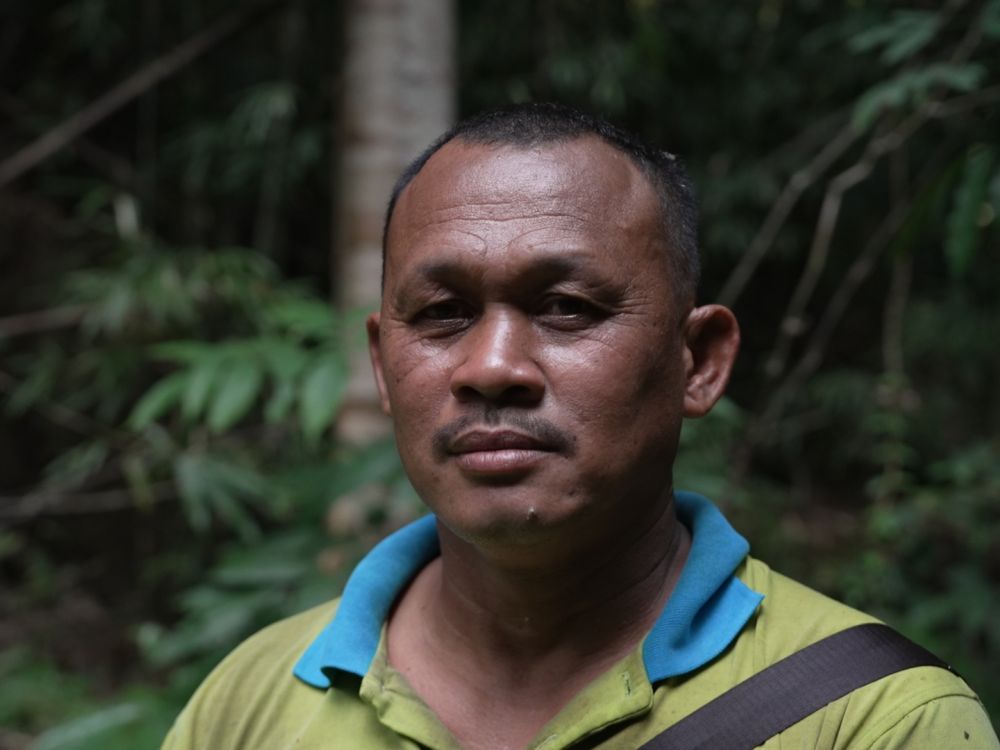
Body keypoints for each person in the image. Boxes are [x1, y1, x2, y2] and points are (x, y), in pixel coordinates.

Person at [161, 103, 998, 749]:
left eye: (565, 308)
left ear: (699, 362)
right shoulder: (253, 702)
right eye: (444, 313)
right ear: (383, 368)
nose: (492, 366)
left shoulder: (872, 718)